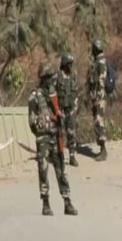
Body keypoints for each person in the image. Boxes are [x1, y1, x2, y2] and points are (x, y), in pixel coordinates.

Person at [28, 64, 78, 217]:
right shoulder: (34, 96)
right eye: (49, 77)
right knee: (43, 170)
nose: (52, 80)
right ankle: (45, 203)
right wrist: (41, 130)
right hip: (43, 138)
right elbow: (31, 121)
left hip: (56, 136)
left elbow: (63, 112)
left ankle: (67, 202)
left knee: (61, 170)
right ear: (44, 78)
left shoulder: (55, 95)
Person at [56, 51, 79, 167]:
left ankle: (72, 156)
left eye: (71, 64)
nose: (70, 66)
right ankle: (60, 156)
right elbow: (53, 93)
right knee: (59, 134)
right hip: (60, 109)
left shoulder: (73, 76)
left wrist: (75, 107)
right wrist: (56, 109)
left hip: (70, 109)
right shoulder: (57, 76)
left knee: (71, 133)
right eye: (69, 64)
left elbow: (76, 92)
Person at [88, 39, 107, 161]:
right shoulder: (96, 62)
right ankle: (102, 148)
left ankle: (103, 150)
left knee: (99, 121)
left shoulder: (100, 62)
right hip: (97, 96)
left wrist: (97, 97)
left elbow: (101, 81)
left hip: (99, 97)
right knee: (97, 121)